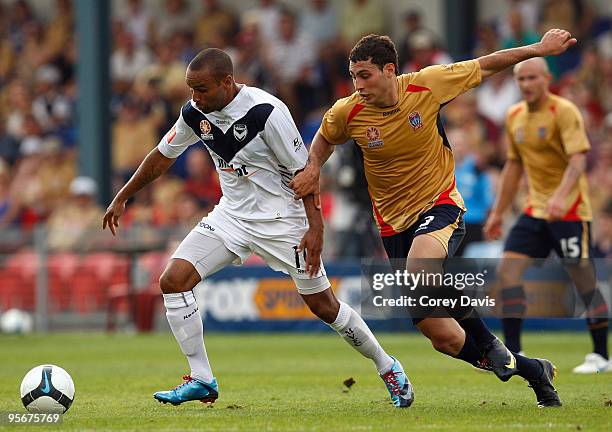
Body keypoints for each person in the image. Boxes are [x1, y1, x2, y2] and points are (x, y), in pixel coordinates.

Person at [103, 48, 414, 408]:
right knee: (173, 280)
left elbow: (306, 174)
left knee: (324, 306)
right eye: (191, 89)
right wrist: (123, 196)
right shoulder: (194, 113)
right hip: (231, 217)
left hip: (283, 220)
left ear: (226, 82)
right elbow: (162, 156)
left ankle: (387, 366)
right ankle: (202, 378)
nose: (194, 97)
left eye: (201, 89)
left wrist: (316, 229)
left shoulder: (266, 112)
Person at [290, 30, 578, 407]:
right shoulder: (349, 111)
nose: (357, 85)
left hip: (439, 205)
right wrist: (313, 167)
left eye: (365, 75)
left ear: (389, 70)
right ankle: (532, 371)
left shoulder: (428, 85)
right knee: (442, 336)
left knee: (421, 269)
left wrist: (538, 49)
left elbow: (487, 64)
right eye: (353, 76)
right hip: (393, 226)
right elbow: (326, 137)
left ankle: (492, 344)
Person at [483, 57, 610, 374]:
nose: (525, 84)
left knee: (584, 281)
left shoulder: (564, 111)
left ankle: (601, 356)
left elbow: (578, 160)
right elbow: (513, 166)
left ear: (546, 78)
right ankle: (513, 353)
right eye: (520, 79)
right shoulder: (514, 116)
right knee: (508, 273)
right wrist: (497, 213)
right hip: (535, 210)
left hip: (569, 211)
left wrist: (560, 197)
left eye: (531, 78)